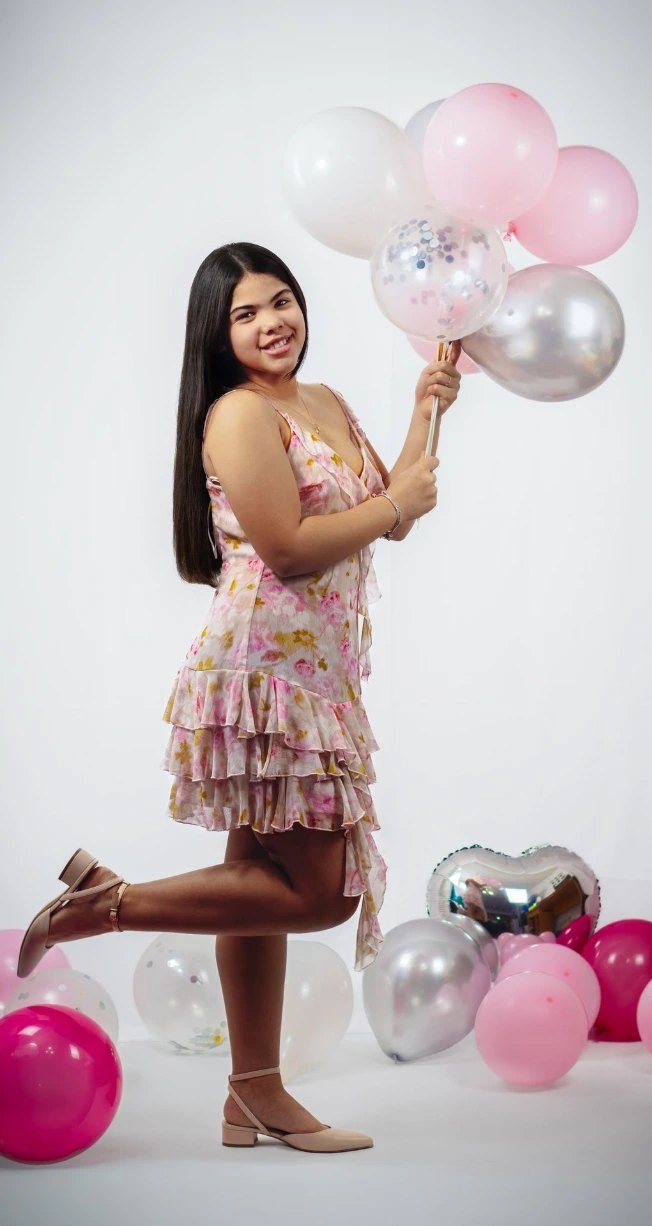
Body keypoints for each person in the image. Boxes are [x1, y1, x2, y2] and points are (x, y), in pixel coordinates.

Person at [17, 242, 462, 1151]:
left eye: (281, 301)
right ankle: (103, 905)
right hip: (263, 675)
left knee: (261, 889)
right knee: (321, 895)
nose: (272, 323)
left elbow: (391, 513)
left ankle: (254, 1093)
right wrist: (395, 504)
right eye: (246, 314)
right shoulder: (238, 413)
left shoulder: (326, 400)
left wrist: (426, 411)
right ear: (218, 336)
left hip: (318, 678)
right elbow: (291, 547)